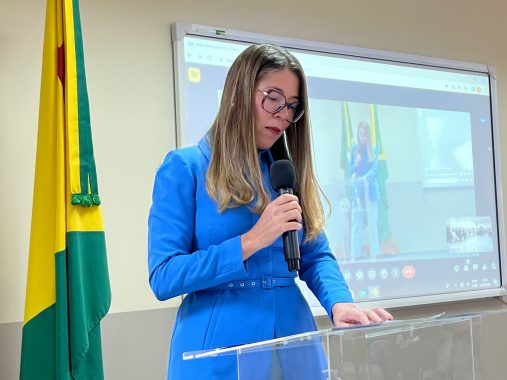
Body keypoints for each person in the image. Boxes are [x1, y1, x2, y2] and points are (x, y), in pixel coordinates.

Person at [148, 43, 393, 379]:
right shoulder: (185, 167)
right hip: (218, 353)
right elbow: (164, 276)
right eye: (273, 98)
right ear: (239, 91)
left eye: (292, 106)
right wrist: (250, 241)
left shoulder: (284, 173)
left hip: (294, 345)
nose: (283, 114)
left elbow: (316, 256)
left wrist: (339, 302)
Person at [349, 121, 381, 260]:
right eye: (361, 134)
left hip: (371, 192)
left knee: (373, 223)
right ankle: (355, 254)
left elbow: (375, 170)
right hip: (358, 194)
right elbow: (349, 170)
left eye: (365, 134)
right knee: (357, 225)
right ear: (358, 134)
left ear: (369, 135)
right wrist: (355, 165)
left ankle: (376, 253)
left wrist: (364, 178)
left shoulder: (373, 149)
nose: (363, 137)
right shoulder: (354, 149)